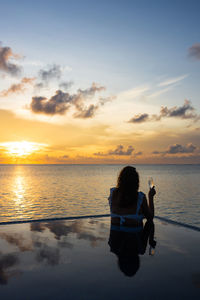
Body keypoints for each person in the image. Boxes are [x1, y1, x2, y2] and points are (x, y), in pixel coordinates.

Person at [108, 165, 156, 232]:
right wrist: (150, 197)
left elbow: (123, 213)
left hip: (115, 241)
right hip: (134, 241)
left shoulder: (113, 194)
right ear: (136, 181)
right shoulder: (140, 197)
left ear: (120, 179)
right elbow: (150, 218)